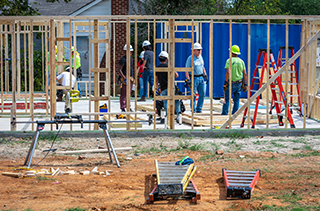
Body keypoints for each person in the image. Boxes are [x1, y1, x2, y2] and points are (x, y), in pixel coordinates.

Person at [221, 44, 248, 115]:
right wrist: (245, 84)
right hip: (239, 83)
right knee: (236, 100)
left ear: (232, 52)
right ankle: (235, 114)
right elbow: (245, 74)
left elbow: (228, 72)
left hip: (231, 83)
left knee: (227, 99)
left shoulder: (229, 61)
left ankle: (225, 114)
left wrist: (225, 82)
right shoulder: (241, 61)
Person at [155, 51, 180, 123]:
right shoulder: (169, 66)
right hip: (171, 87)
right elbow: (176, 75)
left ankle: (165, 117)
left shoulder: (157, 68)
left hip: (163, 88)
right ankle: (178, 115)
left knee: (165, 102)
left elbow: (156, 80)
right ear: (166, 59)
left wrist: (157, 89)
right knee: (176, 101)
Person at [185, 43, 208, 113]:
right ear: (194, 50)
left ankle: (199, 109)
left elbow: (202, 66)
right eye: (198, 50)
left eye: (200, 50)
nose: (199, 51)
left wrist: (205, 75)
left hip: (201, 77)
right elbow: (187, 70)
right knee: (193, 95)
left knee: (202, 93)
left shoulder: (200, 57)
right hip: (194, 78)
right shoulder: (190, 58)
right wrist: (188, 80)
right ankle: (193, 109)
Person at [118, 44, 134, 112]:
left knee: (129, 93)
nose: (130, 53)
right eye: (129, 51)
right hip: (124, 78)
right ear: (125, 51)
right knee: (124, 93)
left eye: (131, 52)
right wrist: (124, 78)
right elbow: (119, 70)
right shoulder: (123, 59)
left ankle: (128, 106)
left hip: (130, 77)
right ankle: (123, 107)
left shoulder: (130, 58)